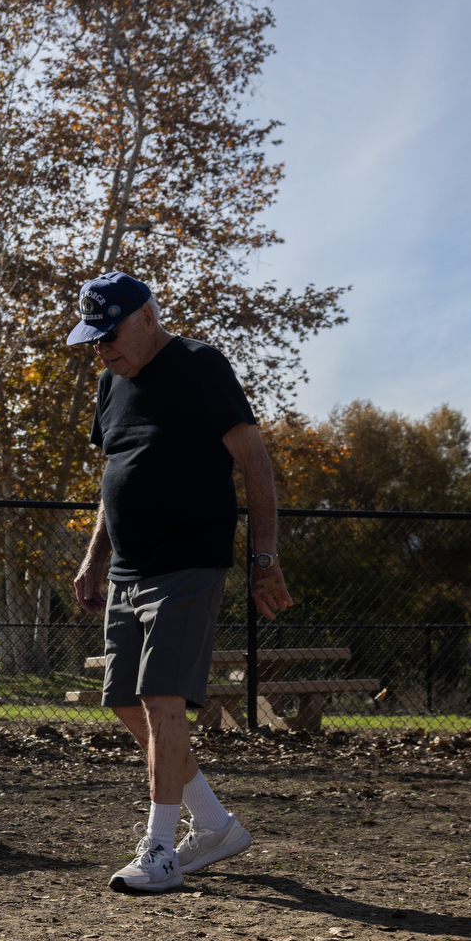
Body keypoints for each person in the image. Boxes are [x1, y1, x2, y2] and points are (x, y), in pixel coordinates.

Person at [66, 272, 294, 893]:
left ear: (145, 318)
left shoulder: (201, 365)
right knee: (124, 701)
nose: (101, 348)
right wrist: (95, 558)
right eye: (92, 338)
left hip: (188, 562)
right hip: (127, 567)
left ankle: (161, 849)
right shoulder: (111, 385)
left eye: (108, 334)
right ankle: (215, 824)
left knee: (163, 698)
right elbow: (117, 476)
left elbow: (254, 461)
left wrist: (265, 558)